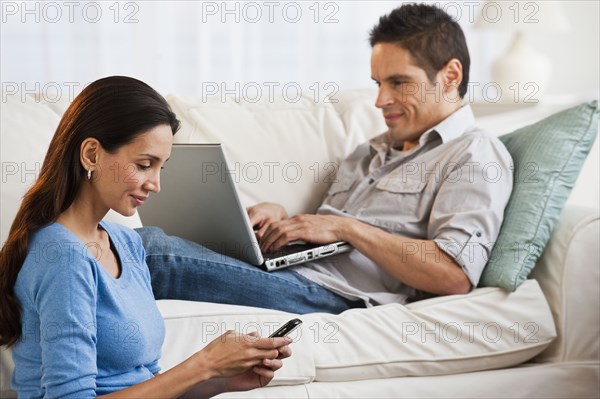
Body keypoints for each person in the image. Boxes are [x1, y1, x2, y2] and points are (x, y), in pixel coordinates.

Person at [138, 3, 514, 313]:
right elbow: (323, 229)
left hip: (334, 296)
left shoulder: (473, 154)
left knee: (150, 250)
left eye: (398, 83)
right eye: (378, 84)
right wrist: (281, 218)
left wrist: (345, 228)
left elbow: (453, 275)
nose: (381, 100)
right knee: (141, 240)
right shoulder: (369, 152)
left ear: (450, 75)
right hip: (290, 270)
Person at [0, 76, 292, 398]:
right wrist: (205, 364)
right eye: (144, 165)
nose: (155, 184)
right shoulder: (63, 258)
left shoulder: (126, 243)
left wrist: (221, 381)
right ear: (92, 154)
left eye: (160, 168)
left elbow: (146, 384)